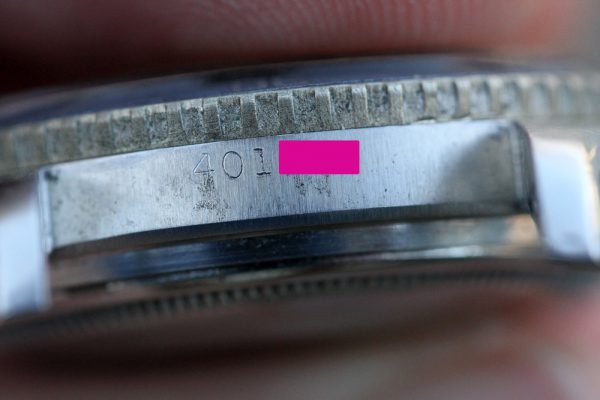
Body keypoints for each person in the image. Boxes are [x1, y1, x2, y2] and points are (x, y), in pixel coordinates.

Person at [0, 1, 598, 399]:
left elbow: (332, 158)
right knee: (315, 157)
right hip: (333, 171)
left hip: (333, 166)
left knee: (317, 156)